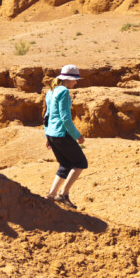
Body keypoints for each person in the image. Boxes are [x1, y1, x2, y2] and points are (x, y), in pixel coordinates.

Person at [44, 64, 88, 209]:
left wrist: (47, 135)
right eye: (75, 79)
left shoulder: (51, 91)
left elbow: (47, 115)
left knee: (65, 164)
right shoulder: (63, 92)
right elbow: (65, 118)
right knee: (80, 162)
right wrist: (77, 135)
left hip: (52, 134)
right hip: (62, 134)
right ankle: (63, 194)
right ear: (69, 79)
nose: (76, 82)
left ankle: (51, 194)